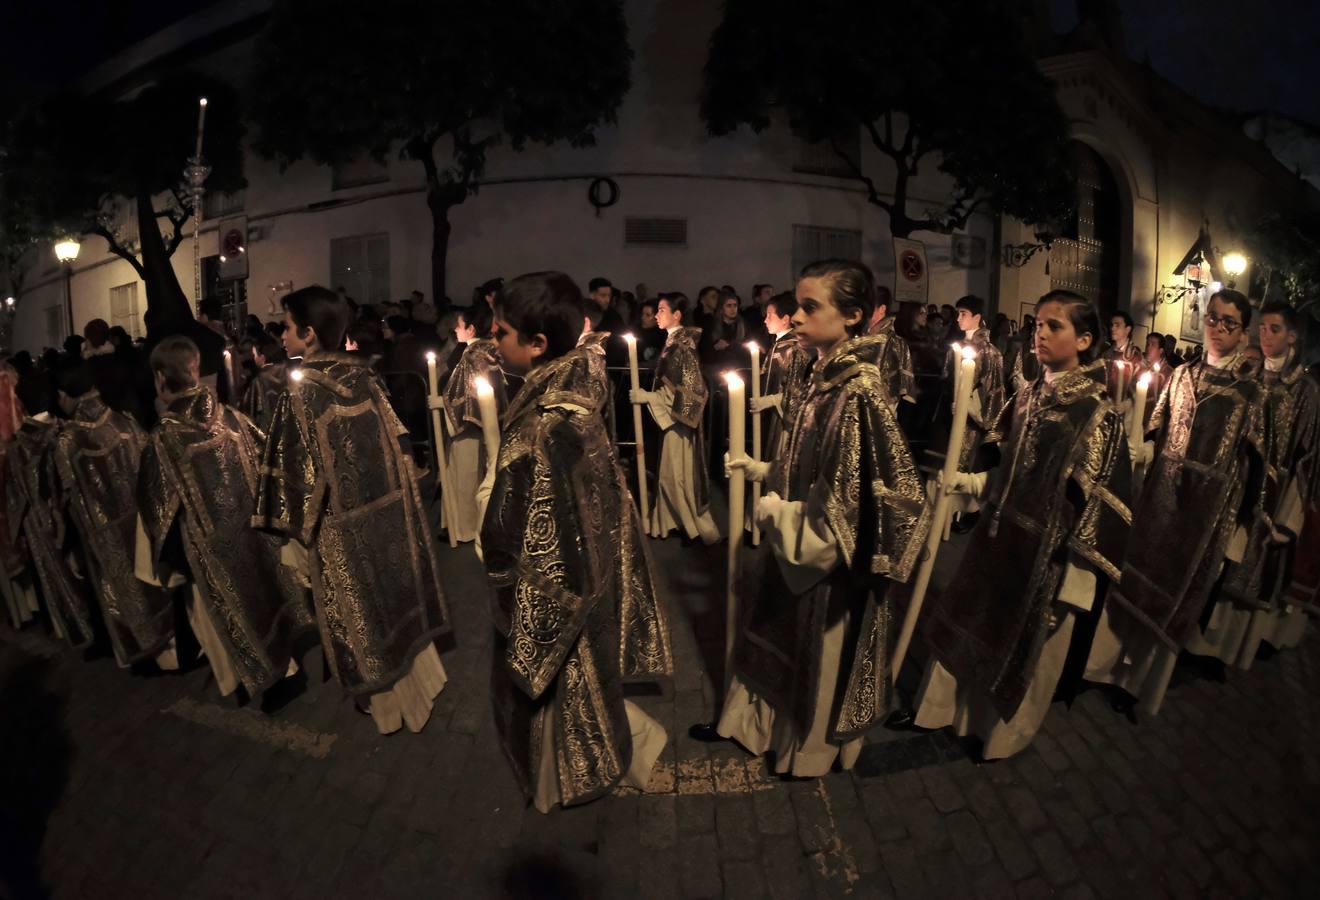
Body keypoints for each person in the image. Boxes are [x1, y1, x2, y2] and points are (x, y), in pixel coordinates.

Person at [694, 259, 929, 777]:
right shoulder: (824, 375)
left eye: (809, 307)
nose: (794, 317)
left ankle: (809, 751)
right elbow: (813, 459)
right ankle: (760, 730)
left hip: (824, 566)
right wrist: (766, 470)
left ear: (852, 316)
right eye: (795, 306)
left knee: (818, 649)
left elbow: (847, 506)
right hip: (793, 535)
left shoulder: (858, 391)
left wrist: (773, 509)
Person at [907, 290, 1132, 758]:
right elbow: (1009, 468)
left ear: (1085, 339)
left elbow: (1102, 505)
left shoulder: (1097, 414)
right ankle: (938, 711)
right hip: (997, 538)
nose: (1040, 334)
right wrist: (968, 482)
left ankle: (1000, 737)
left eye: (1055, 326)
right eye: (1038, 325)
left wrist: (1076, 580)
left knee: (1026, 652)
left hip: (1046, 561)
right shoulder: (1029, 393)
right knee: (966, 620)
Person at [479, 271, 671, 812]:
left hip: (561, 575)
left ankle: (566, 772)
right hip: (597, 557)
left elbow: (534, 529)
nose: (493, 343)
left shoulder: (544, 424)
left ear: (538, 344)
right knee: (590, 667)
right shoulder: (581, 378)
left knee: (562, 679)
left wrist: (497, 556)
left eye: (501, 333)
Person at [253, 286, 451, 735]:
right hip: (386, 515)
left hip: (340, 531)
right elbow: (397, 445)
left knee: (360, 616)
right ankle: (419, 687)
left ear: (307, 334)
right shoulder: (365, 378)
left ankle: (385, 706)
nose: (281, 336)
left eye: (286, 327)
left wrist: (291, 539)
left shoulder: (300, 395)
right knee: (392, 601)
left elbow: (295, 480)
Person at [1087, 289, 1268, 712]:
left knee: (1176, 593)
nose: (1218, 328)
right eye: (1213, 318)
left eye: (1229, 323)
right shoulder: (1183, 375)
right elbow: (1156, 428)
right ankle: (1107, 669)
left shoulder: (1251, 393)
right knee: (1137, 578)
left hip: (1205, 512)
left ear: (1243, 333)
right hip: (1161, 497)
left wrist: (1241, 523)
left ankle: (1144, 690)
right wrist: (1143, 450)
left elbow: (1257, 463)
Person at [137, 337, 315, 700]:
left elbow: (156, 509)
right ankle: (285, 668)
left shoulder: (164, 438)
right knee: (264, 597)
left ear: (159, 378)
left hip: (211, 548)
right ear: (196, 369)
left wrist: (166, 562)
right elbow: (270, 459)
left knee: (226, 614)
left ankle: (256, 682)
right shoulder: (233, 417)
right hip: (254, 535)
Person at [1212, 302, 1318, 663]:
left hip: (1273, 495)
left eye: (1275, 329)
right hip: (1237, 485)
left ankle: (1233, 651)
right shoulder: (1251, 374)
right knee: (1223, 561)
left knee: (1253, 568)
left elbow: (1307, 458)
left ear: (1292, 336)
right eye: (1262, 329)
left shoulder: (1305, 391)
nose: (1266, 336)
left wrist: (1290, 515)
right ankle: (1203, 643)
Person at [49, 362, 174, 667]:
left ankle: (143, 654)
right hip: (141, 522)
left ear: (65, 395)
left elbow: (67, 498)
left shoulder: (67, 442)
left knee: (122, 593)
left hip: (104, 534)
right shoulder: (125, 422)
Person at [631, 294, 720, 545]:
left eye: (661, 310)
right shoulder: (673, 341)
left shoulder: (683, 345)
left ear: (677, 315)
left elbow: (693, 388)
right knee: (670, 472)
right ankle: (670, 521)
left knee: (676, 473)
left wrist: (649, 398)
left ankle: (689, 524)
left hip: (678, 420)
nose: (657, 315)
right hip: (671, 416)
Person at [442, 301, 506, 544]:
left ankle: (466, 530)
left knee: (466, 478)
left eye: (458, 325)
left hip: (468, 427)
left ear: (470, 328)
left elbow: (461, 395)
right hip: (487, 423)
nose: (455, 330)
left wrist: (442, 406)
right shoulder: (489, 350)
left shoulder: (472, 354)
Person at [947, 295, 1006, 533]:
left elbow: (992, 390)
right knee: (953, 465)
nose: (958, 318)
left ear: (977, 318)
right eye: (958, 313)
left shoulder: (990, 352)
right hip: (955, 416)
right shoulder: (960, 345)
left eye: (964, 314)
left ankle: (971, 513)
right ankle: (950, 513)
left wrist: (967, 406)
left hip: (973, 421)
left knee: (969, 467)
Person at [751, 292, 814, 461]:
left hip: (781, 420)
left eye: (770, 316)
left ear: (785, 319)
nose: (765, 320)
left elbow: (797, 391)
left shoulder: (795, 349)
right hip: (769, 414)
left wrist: (770, 400)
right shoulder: (779, 345)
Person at [864, 284, 916, 411]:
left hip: (882, 405)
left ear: (882, 309)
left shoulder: (893, 342)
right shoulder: (864, 336)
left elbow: (891, 383)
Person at [239, 334, 289, 432]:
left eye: (254, 355)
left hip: (267, 428)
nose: (253, 358)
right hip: (288, 426)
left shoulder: (259, 380)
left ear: (262, 357)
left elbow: (248, 409)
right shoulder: (289, 373)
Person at [700, 289, 748, 369]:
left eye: (735, 305)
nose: (733, 309)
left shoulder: (742, 324)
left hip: (739, 366)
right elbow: (704, 353)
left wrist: (730, 345)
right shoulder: (711, 325)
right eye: (729, 306)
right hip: (718, 367)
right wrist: (715, 348)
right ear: (721, 308)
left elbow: (748, 347)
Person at [1102, 311, 1143, 402]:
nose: (1112, 328)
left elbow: (1139, 386)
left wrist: (1127, 403)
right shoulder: (1105, 354)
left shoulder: (1135, 357)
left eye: (1117, 325)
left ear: (1127, 329)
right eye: (1112, 325)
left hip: (1124, 409)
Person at [635, 298, 666, 365]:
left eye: (648, 315)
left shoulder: (663, 334)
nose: (643, 317)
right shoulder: (635, 331)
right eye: (642, 314)